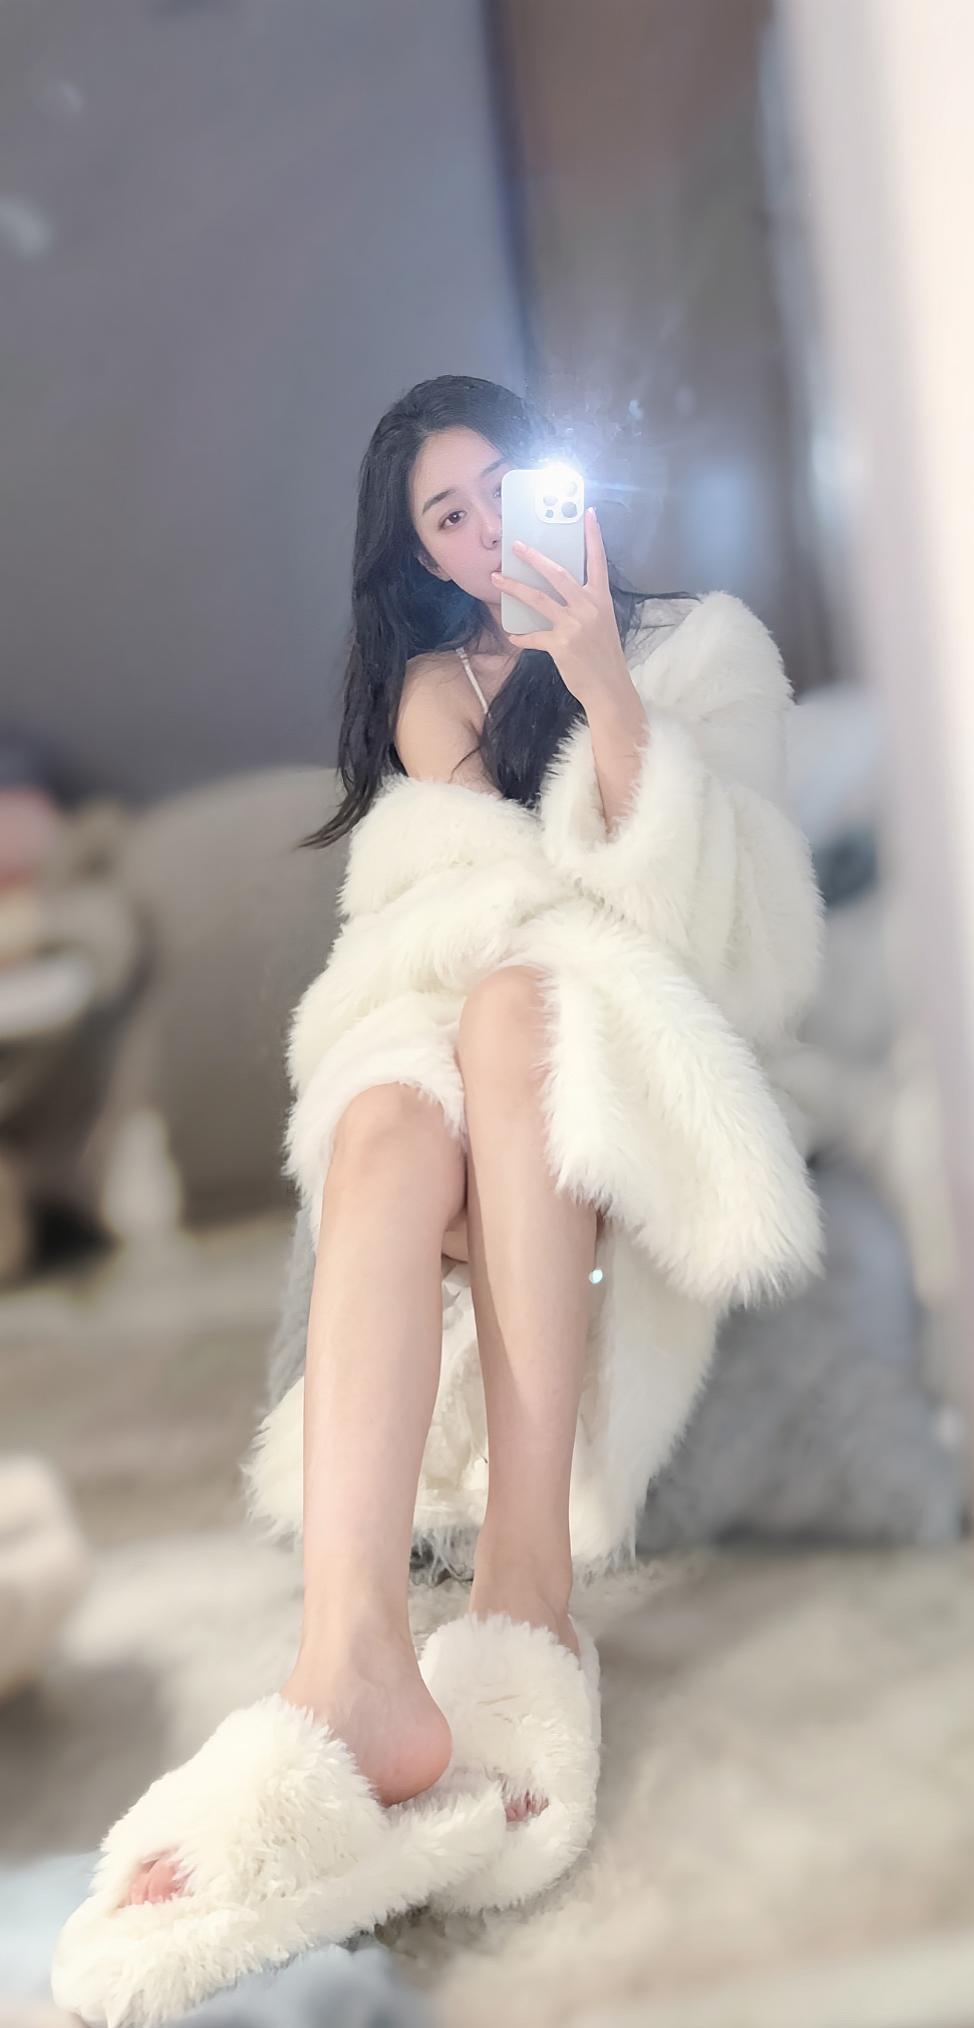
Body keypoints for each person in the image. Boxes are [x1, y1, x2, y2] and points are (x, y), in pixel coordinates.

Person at [118, 374, 705, 1907]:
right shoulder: (436, 684)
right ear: (426, 553)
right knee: (382, 1124)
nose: (483, 528)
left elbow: (679, 906)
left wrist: (603, 679)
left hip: (608, 1024)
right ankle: (352, 1660)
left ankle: (527, 1588)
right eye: (447, 515)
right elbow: (471, 897)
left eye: (503, 487)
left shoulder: (694, 644)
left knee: (520, 1011)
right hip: (454, 1027)